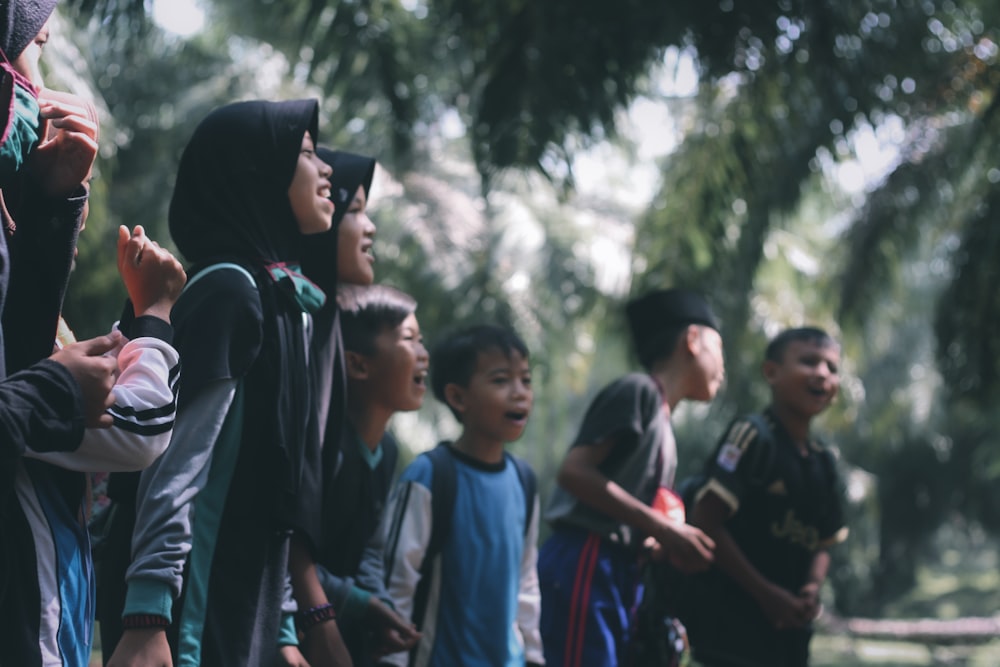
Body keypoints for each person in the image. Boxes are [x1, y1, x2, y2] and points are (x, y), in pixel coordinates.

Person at [103, 99, 351, 667]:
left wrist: (283, 628)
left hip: (243, 611)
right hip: (183, 611)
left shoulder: (289, 304)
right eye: (307, 154)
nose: (326, 170)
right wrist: (146, 616)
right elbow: (178, 464)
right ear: (256, 174)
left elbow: (275, 491)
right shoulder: (230, 291)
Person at [538, 287, 725, 667]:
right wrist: (666, 529)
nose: (724, 367)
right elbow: (574, 472)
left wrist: (666, 544)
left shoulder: (664, 422)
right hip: (588, 558)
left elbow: (638, 518)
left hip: (619, 569)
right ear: (692, 340)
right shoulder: (637, 391)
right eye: (719, 348)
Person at [378, 324, 542, 667]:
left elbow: (526, 579)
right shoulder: (430, 476)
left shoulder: (524, 481)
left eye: (525, 380)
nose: (520, 393)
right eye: (501, 380)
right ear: (457, 397)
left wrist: (533, 655)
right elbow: (398, 581)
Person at [686, 327, 848, 667]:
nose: (822, 374)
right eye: (808, 362)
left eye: (832, 367)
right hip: (731, 635)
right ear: (771, 372)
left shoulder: (825, 462)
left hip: (790, 639)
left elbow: (824, 541)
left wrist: (811, 588)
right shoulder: (752, 437)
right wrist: (767, 595)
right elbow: (706, 520)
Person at [311, 283, 425, 666]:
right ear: (358, 364)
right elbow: (287, 558)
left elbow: (370, 551)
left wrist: (381, 605)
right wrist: (363, 603)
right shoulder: (324, 445)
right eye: (410, 339)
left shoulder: (388, 451)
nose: (424, 355)